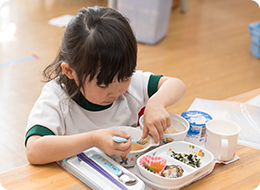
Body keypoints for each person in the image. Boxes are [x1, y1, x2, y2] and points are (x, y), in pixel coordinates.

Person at [25, 6, 186, 165]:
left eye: (125, 77)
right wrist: (93, 139)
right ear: (69, 71)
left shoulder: (130, 85)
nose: (117, 91)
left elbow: (176, 84)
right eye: (103, 85)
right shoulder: (57, 98)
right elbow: (33, 151)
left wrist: (156, 103)